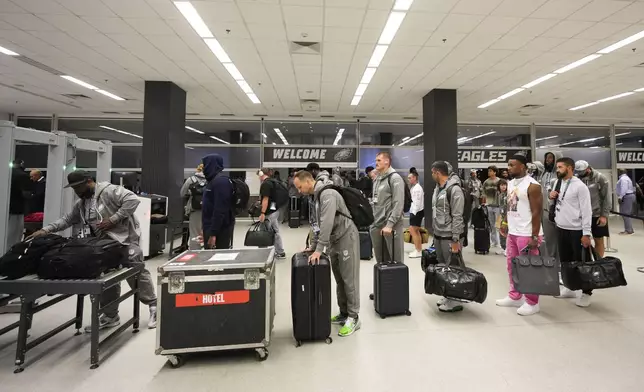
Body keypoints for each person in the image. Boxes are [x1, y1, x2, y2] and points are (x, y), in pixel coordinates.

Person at [28, 170, 157, 330]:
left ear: (89, 181)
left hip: (125, 241)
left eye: (79, 187)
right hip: (103, 246)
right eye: (74, 189)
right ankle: (110, 315)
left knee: (135, 272)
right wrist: (46, 230)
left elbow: (132, 200)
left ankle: (153, 306)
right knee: (106, 277)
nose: (77, 192)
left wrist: (114, 219)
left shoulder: (109, 190)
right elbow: (68, 219)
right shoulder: (82, 203)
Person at [296, 170, 361, 337]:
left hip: (347, 237)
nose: (299, 191)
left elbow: (327, 222)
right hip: (334, 239)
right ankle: (344, 312)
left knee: (349, 280)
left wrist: (319, 250)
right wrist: (314, 245)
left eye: (300, 186)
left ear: (308, 182)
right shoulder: (316, 197)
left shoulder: (328, 194)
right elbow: (318, 224)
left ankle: (354, 317)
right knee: (339, 279)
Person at [496, 154, 544, 316]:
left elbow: (537, 212)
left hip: (528, 233)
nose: (508, 168)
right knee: (512, 265)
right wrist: (504, 223)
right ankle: (515, 295)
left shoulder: (533, 186)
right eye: (508, 165)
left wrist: (535, 236)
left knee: (529, 268)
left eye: (512, 165)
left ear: (523, 167)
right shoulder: (510, 183)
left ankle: (532, 302)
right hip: (513, 231)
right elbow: (509, 205)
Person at [551, 158, 593, 307]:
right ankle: (569, 286)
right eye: (557, 167)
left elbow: (587, 211)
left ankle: (586, 292)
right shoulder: (559, 183)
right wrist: (552, 197)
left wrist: (586, 233)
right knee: (565, 262)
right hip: (561, 227)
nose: (558, 169)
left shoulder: (580, 187)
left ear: (570, 168)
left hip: (577, 230)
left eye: (560, 167)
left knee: (582, 262)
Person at [430, 161, 465, 312]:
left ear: (437, 172)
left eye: (432, 172)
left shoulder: (455, 190)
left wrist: (456, 239)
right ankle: (448, 294)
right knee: (443, 267)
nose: (432, 175)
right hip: (439, 233)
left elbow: (458, 216)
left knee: (453, 267)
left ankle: (456, 299)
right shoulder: (438, 189)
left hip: (450, 235)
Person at [370, 152, 405, 265]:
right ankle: (383, 283)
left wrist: (390, 225)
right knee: (381, 262)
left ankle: (397, 283)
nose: (376, 163)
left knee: (395, 262)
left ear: (387, 161)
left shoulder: (395, 178)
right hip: (377, 224)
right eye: (376, 161)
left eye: (379, 160)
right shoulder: (377, 179)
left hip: (391, 226)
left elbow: (398, 203)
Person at [575, 160, 611, 256]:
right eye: (578, 172)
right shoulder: (576, 178)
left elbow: (606, 198)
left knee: (598, 240)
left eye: (581, 171)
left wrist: (604, 216)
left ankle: (598, 263)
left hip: (596, 214)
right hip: (581, 215)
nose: (579, 174)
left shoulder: (600, 178)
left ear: (587, 169)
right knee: (581, 240)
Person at [202, 154, 235, 250]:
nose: (204, 168)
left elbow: (220, 210)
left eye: (205, 165)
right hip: (211, 227)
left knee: (215, 260)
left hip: (219, 230)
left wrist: (213, 234)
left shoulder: (221, 182)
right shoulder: (212, 181)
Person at [257, 168, 286, 258]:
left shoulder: (266, 184)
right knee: (275, 231)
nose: (259, 177)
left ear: (262, 174)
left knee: (263, 231)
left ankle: (263, 253)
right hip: (274, 210)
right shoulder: (273, 182)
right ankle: (280, 251)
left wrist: (262, 213)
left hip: (268, 213)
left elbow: (266, 199)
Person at [540, 151, 563, 261]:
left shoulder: (560, 175)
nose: (548, 160)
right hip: (545, 212)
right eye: (546, 158)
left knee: (560, 240)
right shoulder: (544, 174)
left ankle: (560, 265)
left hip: (558, 212)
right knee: (549, 239)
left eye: (550, 158)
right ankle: (551, 264)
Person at [180, 164, 207, 249]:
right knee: (208, 232)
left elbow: (182, 193)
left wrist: (190, 193)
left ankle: (195, 252)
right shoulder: (210, 180)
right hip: (209, 209)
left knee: (195, 233)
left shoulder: (191, 179)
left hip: (195, 209)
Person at [8, 160, 30, 247]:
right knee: (16, 234)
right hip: (18, 208)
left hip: (7, 207)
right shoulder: (23, 175)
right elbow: (26, 193)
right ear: (21, 164)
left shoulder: (6, 172)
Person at [482, 166, 501, 249]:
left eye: (490, 171)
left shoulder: (499, 181)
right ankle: (493, 241)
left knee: (498, 225)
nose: (489, 172)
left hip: (498, 206)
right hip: (489, 205)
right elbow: (483, 193)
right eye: (488, 171)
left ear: (495, 172)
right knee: (491, 224)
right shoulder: (486, 182)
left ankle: (500, 242)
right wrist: (483, 203)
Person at [407, 170, 424, 258]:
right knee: (415, 231)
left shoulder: (417, 188)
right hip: (415, 211)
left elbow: (417, 202)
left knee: (413, 230)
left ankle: (418, 250)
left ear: (414, 178)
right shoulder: (414, 187)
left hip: (416, 212)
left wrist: (413, 213)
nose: (409, 179)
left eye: (410, 178)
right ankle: (418, 249)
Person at [616, 169, 636, 235]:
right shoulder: (626, 178)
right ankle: (630, 229)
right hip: (629, 196)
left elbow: (624, 188)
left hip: (626, 196)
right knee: (626, 214)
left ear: (620, 172)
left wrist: (620, 197)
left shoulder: (623, 179)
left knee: (625, 214)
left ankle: (628, 230)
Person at [496, 179, 508, 256]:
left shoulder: (508, 195)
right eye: (501, 185)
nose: (503, 187)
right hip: (501, 215)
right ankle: (503, 247)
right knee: (501, 232)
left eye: (504, 185)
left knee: (507, 232)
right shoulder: (500, 195)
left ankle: (507, 248)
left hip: (507, 216)